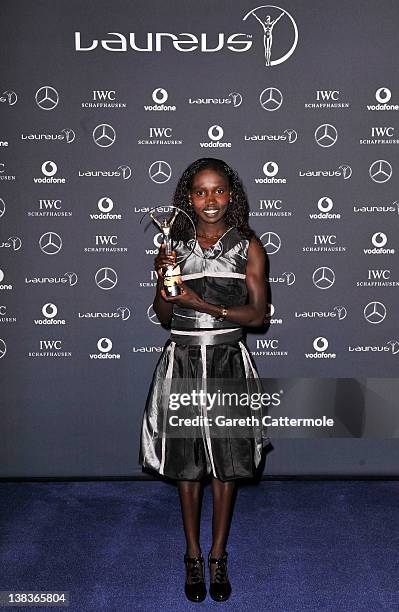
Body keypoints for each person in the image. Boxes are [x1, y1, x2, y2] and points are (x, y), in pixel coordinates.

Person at [139, 157, 271, 603]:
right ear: (187, 198)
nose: (209, 200)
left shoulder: (248, 245)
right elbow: (163, 316)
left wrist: (207, 305)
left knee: (227, 465)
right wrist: (164, 285)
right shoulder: (172, 243)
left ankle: (218, 555)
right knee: (187, 464)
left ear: (230, 194)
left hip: (227, 362)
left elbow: (258, 315)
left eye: (217, 190)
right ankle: (192, 555)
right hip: (182, 363)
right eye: (200, 191)